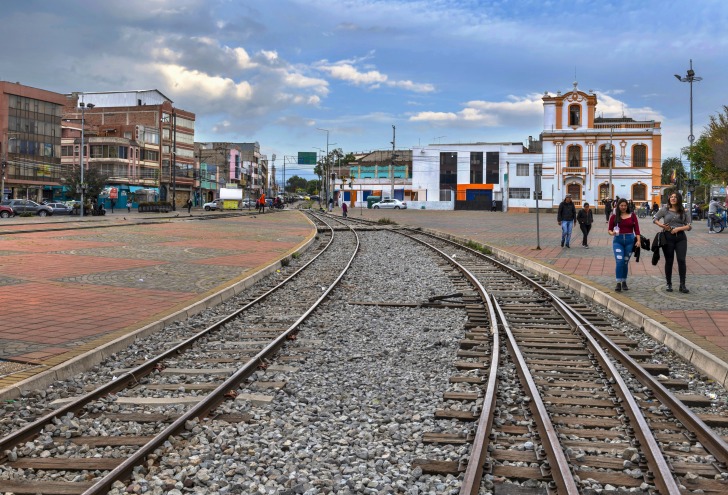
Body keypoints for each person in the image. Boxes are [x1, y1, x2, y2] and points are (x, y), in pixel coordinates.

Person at [653, 191, 691, 293]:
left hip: (681, 238)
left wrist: (678, 229)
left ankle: (682, 285)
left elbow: (689, 226)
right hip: (668, 237)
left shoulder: (684, 211)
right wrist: (661, 225)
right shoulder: (665, 210)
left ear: (679, 199)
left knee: (681, 260)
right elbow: (655, 218)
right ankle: (669, 284)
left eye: (675, 197)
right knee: (669, 261)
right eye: (671, 197)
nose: (673, 198)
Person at [608, 198, 641, 292]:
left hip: (630, 241)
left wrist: (638, 241)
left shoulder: (633, 216)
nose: (623, 207)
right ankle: (618, 282)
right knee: (619, 261)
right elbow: (609, 229)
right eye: (621, 205)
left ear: (627, 206)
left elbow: (637, 230)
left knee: (625, 262)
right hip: (618, 241)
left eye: (625, 205)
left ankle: (624, 281)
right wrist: (612, 233)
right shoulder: (614, 216)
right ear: (618, 206)